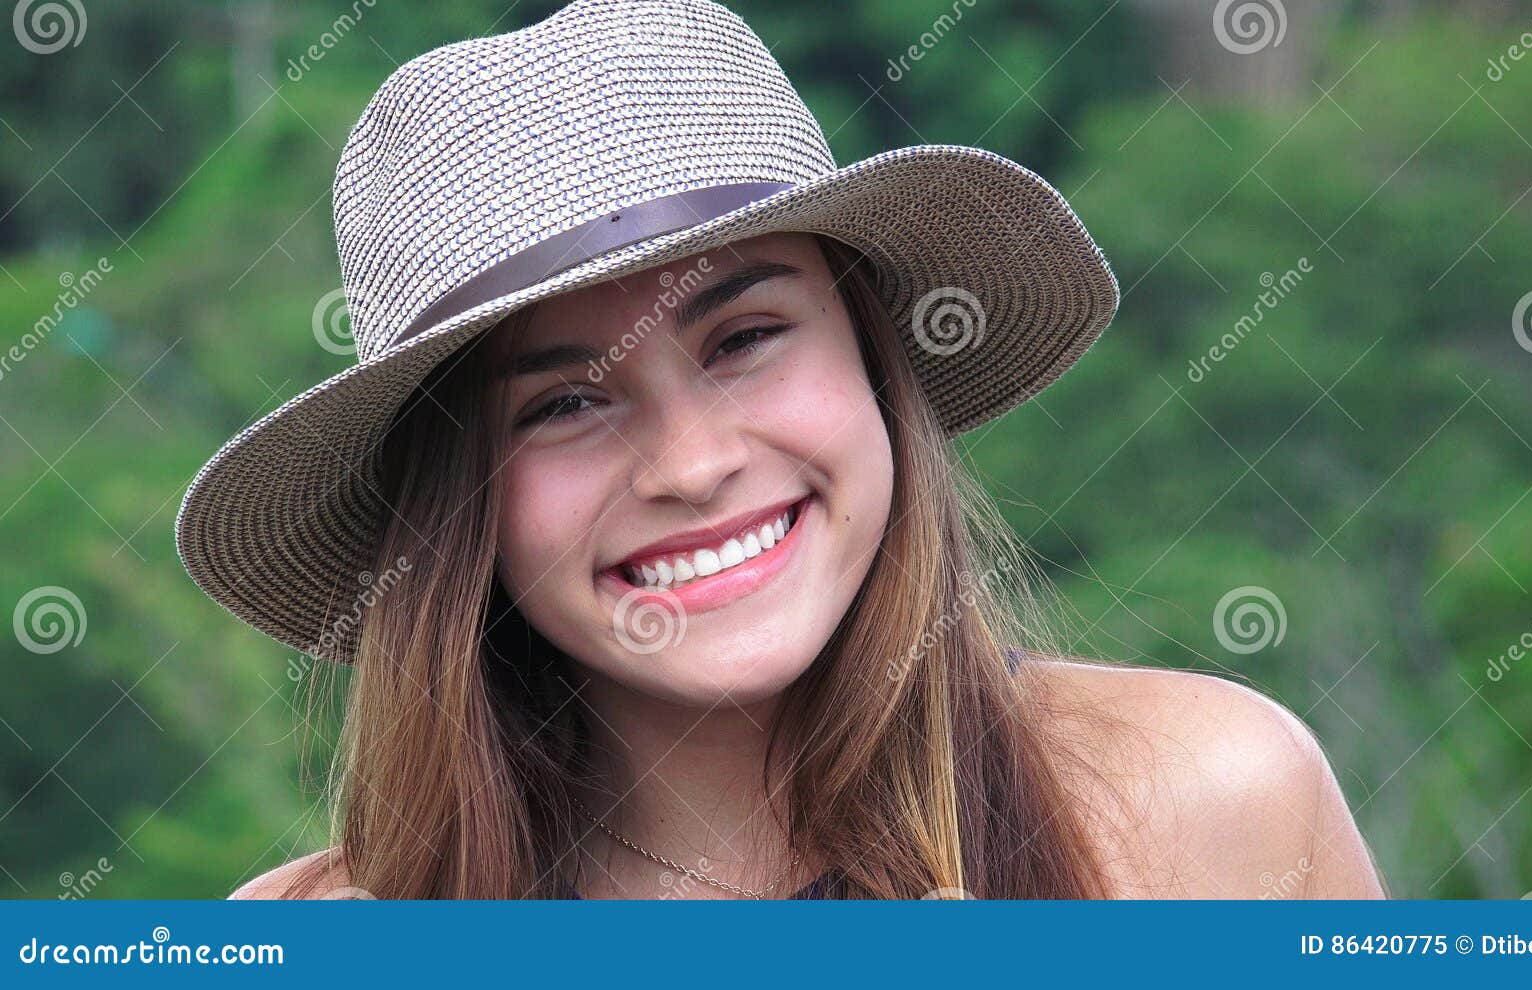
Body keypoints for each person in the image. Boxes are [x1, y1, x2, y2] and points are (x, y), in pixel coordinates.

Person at [178, 0, 1385, 900]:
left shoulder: (1202, 807)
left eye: (745, 337)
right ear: (460, 513)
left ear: (870, 353)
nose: (692, 464)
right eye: (561, 407)